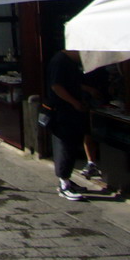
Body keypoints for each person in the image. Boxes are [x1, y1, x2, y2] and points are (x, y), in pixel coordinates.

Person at [46, 49, 93, 201]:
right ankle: (64, 184)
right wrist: (74, 102)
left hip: (70, 111)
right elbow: (56, 86)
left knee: (71, 145)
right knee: (64, 145)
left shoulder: (70, 62)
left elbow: (73, 83)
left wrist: (86, 92)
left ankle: (66, 179)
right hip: (62, 112)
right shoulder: (60, 61)